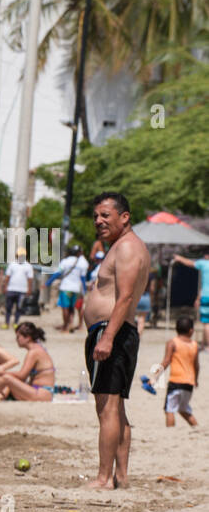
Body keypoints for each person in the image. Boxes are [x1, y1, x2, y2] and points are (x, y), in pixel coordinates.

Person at [83, 191, 150, 489]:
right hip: (112, 332)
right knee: (115, 406)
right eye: (96, 216)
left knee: (107, 407)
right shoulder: (123, 246)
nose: (99, 221)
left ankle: (103, 479)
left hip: (112, 332)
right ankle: (120, 476)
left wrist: (107, 337)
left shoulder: (126, 249)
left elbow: (124, 297)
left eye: (105, 215)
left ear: (125, 217)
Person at [0, 322, 55, 401]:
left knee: (7, 378)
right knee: (7, 379)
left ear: (28, 338)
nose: (16, 339)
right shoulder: (38, 348)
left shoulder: (34, 352)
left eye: (18, 337)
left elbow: (22, 375)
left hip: (41, 394)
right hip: (40, 392)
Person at [155, 317, 198, 427]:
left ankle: (170, 432)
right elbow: (196, 365)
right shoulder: (194, 345)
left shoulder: (172, 342)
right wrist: (196, 380)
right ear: (191, 330)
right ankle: (196, 427)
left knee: (169, 410)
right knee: (183, 409)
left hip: (176, 381)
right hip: (189, 383)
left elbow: (166, 361)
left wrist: (155, 375)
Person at [169, 252, 209, 348]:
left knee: (206, 323)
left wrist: (179, 258)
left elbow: (189, 263)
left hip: (206, 296)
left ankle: (208, 346)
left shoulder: (204, 263)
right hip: (204, 295)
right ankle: (203, 344)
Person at [47, 245, 89, 333]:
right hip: (76, 289)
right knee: (71, 308)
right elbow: (83, 278)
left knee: (65, 308)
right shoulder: (83, 263)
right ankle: (70, 324)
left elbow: (57, 273)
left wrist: (48, 282)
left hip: (66, 288)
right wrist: (84, 290)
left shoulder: (65, 261)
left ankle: (65, 327)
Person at [1, 249, 34, 328]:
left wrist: (29, 289)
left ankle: (16, 323)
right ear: (17, 256)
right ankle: (6, 323)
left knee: (19, 308)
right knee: (8, 307)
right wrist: (5, 287)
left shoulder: (28, 266)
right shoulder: (12, 265)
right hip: (11, 290)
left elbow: (30, 279)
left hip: (22, 291)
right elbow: (7, 277)